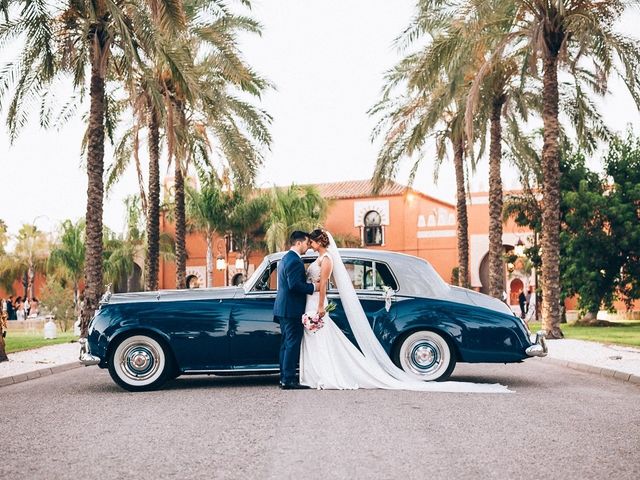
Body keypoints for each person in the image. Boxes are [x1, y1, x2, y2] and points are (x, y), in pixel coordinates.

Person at [299, 228, 510, 393]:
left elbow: (324, 284)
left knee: (322, 339)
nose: (310, 244)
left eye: (312, 241)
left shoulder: (326, 259)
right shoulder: (321, 258)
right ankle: (316, 374)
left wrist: (320, 307)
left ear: (319, 242)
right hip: (312, 299)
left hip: (317, 301)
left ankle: (325, 375)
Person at [273, 231, 319, 390]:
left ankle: (284, 378)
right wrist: (314, 287)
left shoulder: (286, 258)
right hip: (291, 308)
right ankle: (289, 380)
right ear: (299, 243)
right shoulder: (295, 261)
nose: (308, 247)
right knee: (292, 344)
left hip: (283, 308)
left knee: (286, 344)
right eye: (307, 243)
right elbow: (295, 285)